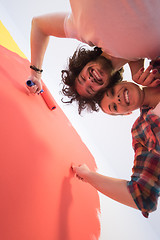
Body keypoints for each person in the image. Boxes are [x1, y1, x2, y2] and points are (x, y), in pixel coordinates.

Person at [28, 0, 160, 112]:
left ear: (82, 65)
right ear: (108, 87)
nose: (89, 80)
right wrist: (138, 67)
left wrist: (35, 74)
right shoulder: (152, 53)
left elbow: (39, 25)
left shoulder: (82, 29)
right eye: (91, 89)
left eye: (82, 78)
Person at [72, 76, 160, 218]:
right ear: (126, 113)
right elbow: (143, 197)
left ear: (124, 82)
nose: (117, 99)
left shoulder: (154, 67)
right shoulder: (142, 130)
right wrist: (88, 175)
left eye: (112, 92)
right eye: (114, 107)